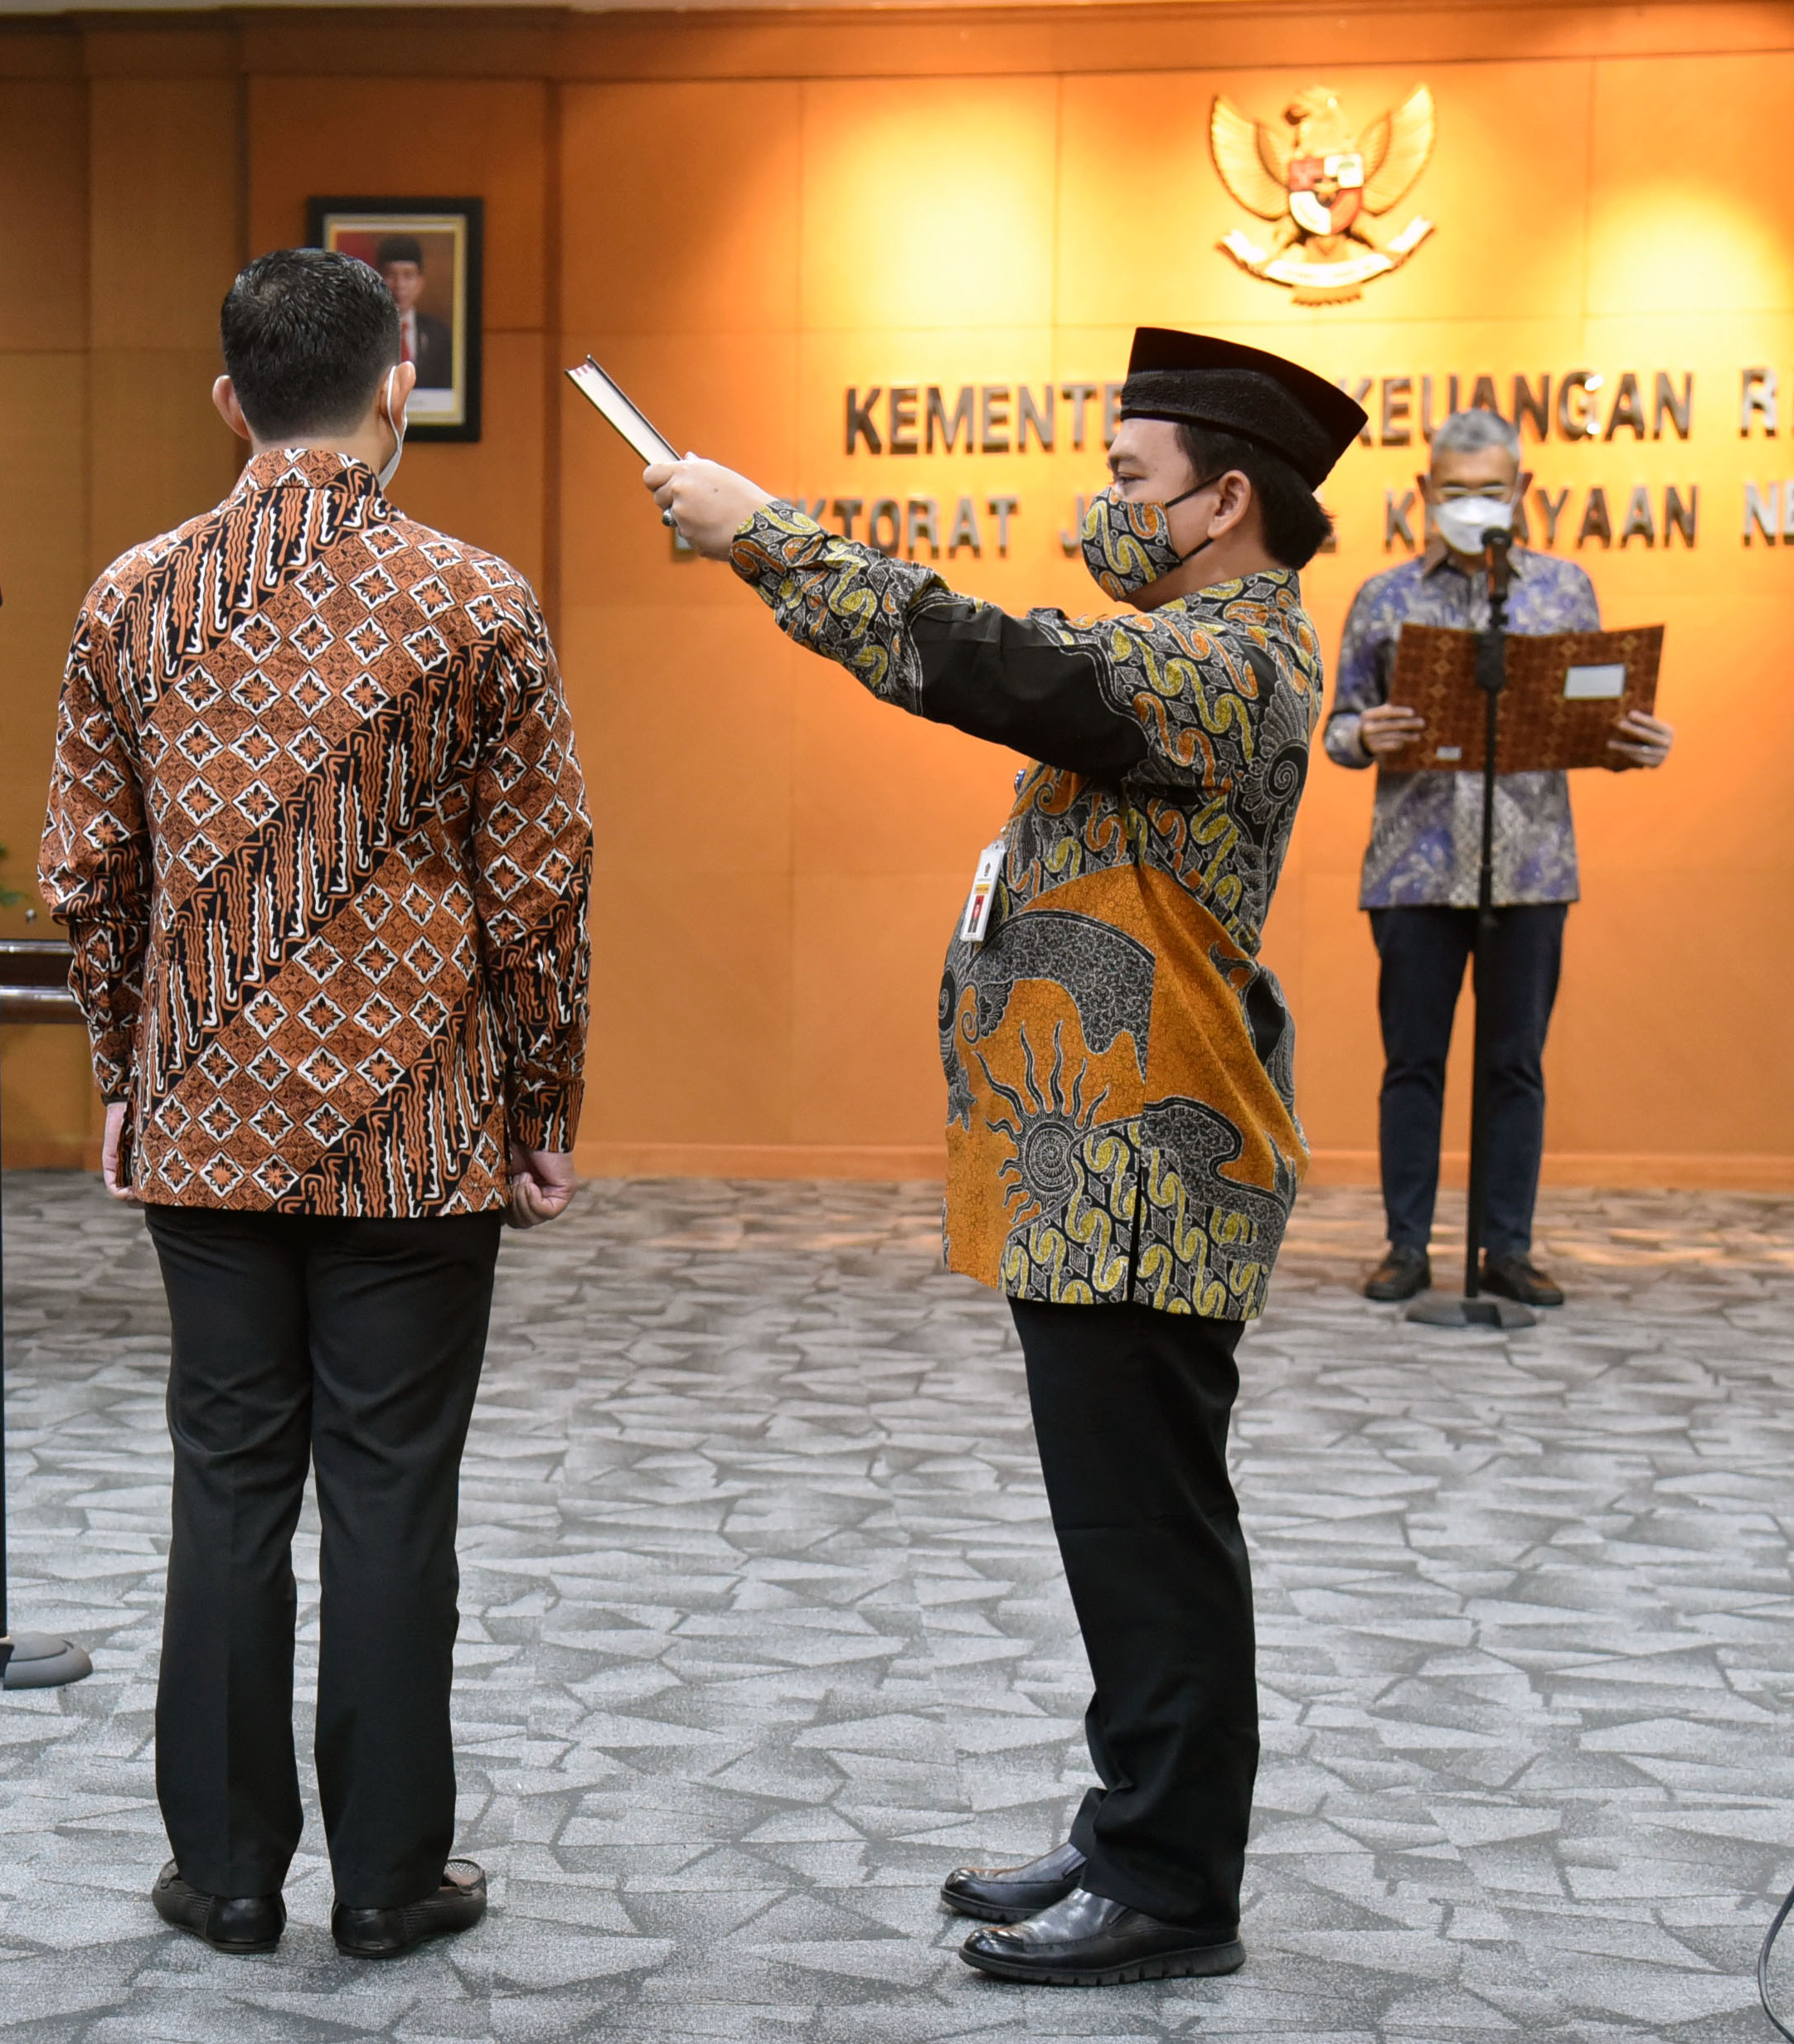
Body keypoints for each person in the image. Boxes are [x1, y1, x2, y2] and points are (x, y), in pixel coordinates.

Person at [647, 328, 1365, 1988]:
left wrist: (767, 537)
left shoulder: (1228, 660)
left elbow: (983, 660)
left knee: (1148, 1537)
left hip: (1145, 1172)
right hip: (1092, 1168)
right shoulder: (1194, 642)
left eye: (1126, 476)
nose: (1098, 504)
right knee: (1121, 1532)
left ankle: (1171, 1885)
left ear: (1221, 501)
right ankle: (1130, 1828)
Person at [40, 246, 590, 1963]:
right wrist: (544, 1101)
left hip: (205, 1120)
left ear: (228, 401)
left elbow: (88, 875)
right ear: (394, 390)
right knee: (388, 1495)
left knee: (226, 1485)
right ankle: (383, 1878)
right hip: (417, 1131)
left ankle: (223, 1874)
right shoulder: (476, 601)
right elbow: (538, 885)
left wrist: (122, 1071)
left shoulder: (128, 597)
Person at [1323, 408, 1675, 1307]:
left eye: (1490, 490)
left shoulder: (1563, 590)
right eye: (1455, 490)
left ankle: (1507, 1248)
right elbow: (1336, 728)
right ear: (1423, 492)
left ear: (1522, 492)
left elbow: (1584, 721)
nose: (1473, 505)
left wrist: (1628, 745)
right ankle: (1406, 1247)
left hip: (1531, 865)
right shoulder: (1383, 598)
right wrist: (1363, 733)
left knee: (1515, 1062)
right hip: (1412, 868)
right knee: (1413, 1061)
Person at [371, 233, 453, 394]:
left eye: (408, 275)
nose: (399, 285)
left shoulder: (439, 335)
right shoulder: (365, 334)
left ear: (420, 283)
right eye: (391, 275)